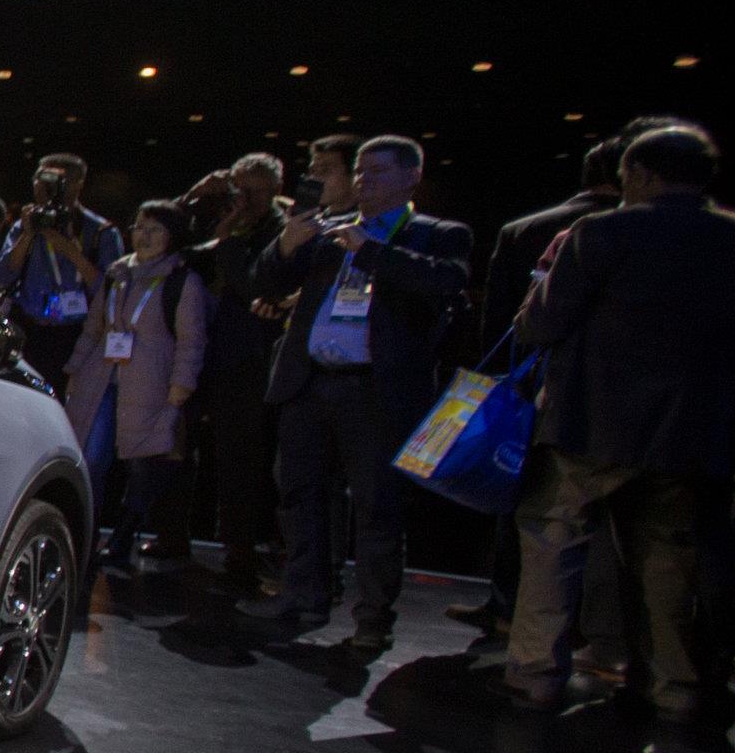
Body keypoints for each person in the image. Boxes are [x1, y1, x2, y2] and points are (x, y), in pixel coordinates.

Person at [505, 126, 735, 717]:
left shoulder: (601, 231)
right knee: (669, 558)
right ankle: (674, 689)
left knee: (553, 541)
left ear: (639, 175)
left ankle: (536, 675)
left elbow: (543, 324)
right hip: (691, 430)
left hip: (591, 421)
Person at [241, 134, 474, 656]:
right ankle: (303, 595)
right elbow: (265, 281)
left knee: (376, 507)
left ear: (412, 176)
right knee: (298, 493)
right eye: (361, 172)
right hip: (312, 381)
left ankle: (372, 618)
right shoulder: (328, 234)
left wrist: (370, 251)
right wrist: (286, 244)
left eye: (378, 172)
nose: (365, 181)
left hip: (376, 390)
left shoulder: (438, 234)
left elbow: (444, 283)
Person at [455, 133, 631, 632]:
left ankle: (517, 627)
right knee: (648, 537)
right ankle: (622, 649)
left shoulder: (538, 231)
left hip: (548, 394)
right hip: (669, 413)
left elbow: (515, 324)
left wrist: (495, 388)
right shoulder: (710, 234)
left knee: (539, 518)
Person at [62, 201, 211, 575]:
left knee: (142, 466)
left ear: (172, 236)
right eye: (140, 227)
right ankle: (86, 536)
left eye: (155, 229)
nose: (144, 236)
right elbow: (94, 329)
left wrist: (180, 386)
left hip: (151, 383)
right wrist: (75, 368)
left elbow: (191, 341)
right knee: (90, 460)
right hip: (102, 381)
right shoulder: (117, 274)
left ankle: (124, 536)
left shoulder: (182, 280)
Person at [180, 153, 291, 592]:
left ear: (277, 187)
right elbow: (179, 251)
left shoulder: (283, 229)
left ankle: (261, 554)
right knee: (225, 461)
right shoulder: (226, 219)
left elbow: (253, 284)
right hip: (218, 359)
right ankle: (234, 550)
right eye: (240, 189)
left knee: (261, 466)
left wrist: (226, 239)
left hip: (261, 363)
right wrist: (195, 196)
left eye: (258, 190)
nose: (247, 198)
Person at [0, 151, 124, 387]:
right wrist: (28, 234)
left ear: (77, 185)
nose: (44, 188)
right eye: (40, 180)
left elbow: (110, 291)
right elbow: (2, 274)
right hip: (28, 330)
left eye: (54, 182)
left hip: (75, 334)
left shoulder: (101, 232)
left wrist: (71, 252)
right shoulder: (24, 226)